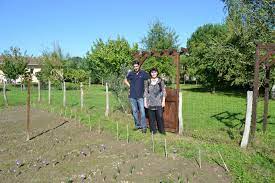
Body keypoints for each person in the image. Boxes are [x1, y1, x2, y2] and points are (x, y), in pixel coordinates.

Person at [124, 60, 149, 133]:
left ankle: (144, 127)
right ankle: (138, 125)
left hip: (140, 96)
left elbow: (150, 78)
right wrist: (130, 86)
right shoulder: (131, 73)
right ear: (133, 67)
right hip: (132, 96)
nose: (135, 67)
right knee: (135, 111)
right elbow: (125, 80)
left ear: (139, 66)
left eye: (136, 66)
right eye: (134, 66)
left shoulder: (143, 73)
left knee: (142, 111)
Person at [144, 68, 166, 134]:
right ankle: (153, 131)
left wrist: (163, 101)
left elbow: (164, 91)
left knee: (160, 117)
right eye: (152, 72)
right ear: (150, 73)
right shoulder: (148, 81)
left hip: (159, 102)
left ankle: (162, 131)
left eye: (155, 72)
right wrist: (145, 102)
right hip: (150, 102)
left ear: (157, 73)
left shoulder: (160, 81)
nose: (153, 73)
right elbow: (145, 92)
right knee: (151, 118)